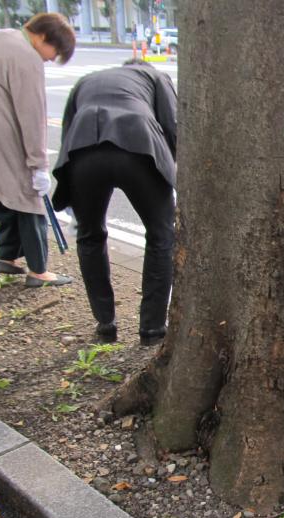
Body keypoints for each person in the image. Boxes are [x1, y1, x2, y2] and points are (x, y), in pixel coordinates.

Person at [52, 59, 177, 346]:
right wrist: (168, 170)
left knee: (90, 235)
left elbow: (67, 129)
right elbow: (171, 126)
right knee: (161, 235)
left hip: (83, 151)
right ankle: (153, 329)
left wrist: (71, 192)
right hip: (139, 145)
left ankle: (105, 324)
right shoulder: (155, 75)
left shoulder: (87, 78)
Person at [0, 13, 75, 287]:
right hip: (5, 137)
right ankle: (39, 271)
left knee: (0, 197)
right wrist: (38, 164)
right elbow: (32, 115)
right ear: (44, 37)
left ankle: (6, 256)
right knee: (29, 200)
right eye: (54, 52)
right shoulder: (27, 57)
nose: (50, 59)